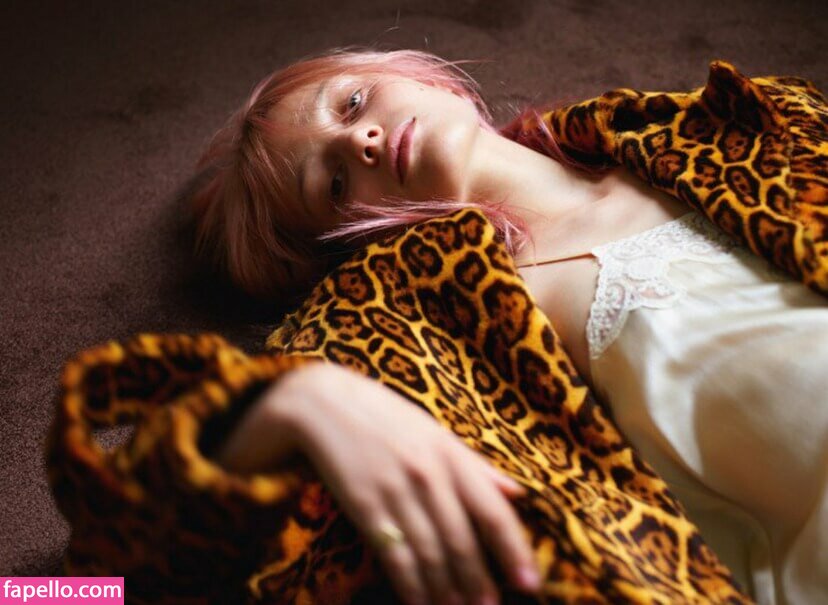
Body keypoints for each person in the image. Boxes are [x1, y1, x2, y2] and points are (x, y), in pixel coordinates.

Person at [189, 47, 828, 605]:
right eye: (333, 182)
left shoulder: (729, 120)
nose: (363, 141)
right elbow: (145, 552)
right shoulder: (427, 323)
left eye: (352, 103)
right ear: (347, 241)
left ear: (420, 76)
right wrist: (300, 398)